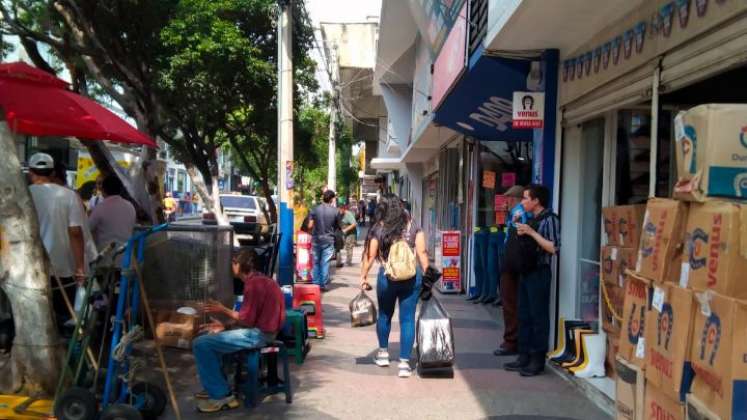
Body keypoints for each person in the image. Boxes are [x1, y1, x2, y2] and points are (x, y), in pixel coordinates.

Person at [192, 249, 285, 413]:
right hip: (262, 331)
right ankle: (217, 386)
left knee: (201, 344)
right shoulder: (260, 280)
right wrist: (225, 327)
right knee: (211, 337)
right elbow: (250, 318)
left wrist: (222, 309)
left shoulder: (253, 284)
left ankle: (221, 397)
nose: (231, 265)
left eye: (234, 262)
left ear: (240, 265)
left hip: (260, 335)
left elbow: (246, 320)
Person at [360, 194, 429, 378]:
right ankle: (404, 363)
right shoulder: (413, 225)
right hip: (411, 278)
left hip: (387, 277)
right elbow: (422, 252)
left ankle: (383, 354)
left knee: (384, 314)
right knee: (407, 319)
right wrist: (427, 274)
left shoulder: (380, 227)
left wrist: (363, 276)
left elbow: (370, 255)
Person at [27, 153, 90, 328]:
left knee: (33, 319)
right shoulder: (69, 196)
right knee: (61, 318)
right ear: (53, 172)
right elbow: (75, 232)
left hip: (29, 266)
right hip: (62, 267)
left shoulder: (23, 195)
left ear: (31, 172)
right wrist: (79, 267)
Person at [503, 184, 560, 377]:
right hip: (525, 271)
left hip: (539, 272)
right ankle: (523, 356)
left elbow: (553, 247)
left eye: (526, 198)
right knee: (523, 315)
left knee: (538, 317)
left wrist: (531, 233)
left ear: (536, 201)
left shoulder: (550, 219)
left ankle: (537, 359)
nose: (523, 201)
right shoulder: (530, 218)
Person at [88, 176, 136, 251]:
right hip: (128, 255)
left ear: (103, 190)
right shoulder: (130, 206)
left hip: (108, 257)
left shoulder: (100, 208)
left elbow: (88, 228)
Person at [308, 190, 340, 290]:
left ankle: (316, 283)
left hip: (316, 240)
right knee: (325, 263)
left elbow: (310, 225)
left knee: (316, 262)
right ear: (331, 199)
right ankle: (323, 284)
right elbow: (337, 226)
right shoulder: (335, 211)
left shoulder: (314, 209)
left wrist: (311, 233)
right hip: (329, 240)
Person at [295, 216, 313, 283]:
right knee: (304, 264)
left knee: (302, 264)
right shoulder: (307, 235)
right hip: (304, 252)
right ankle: (304, 277)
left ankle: (301, 276)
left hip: (302, 252)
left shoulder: (299, 233)